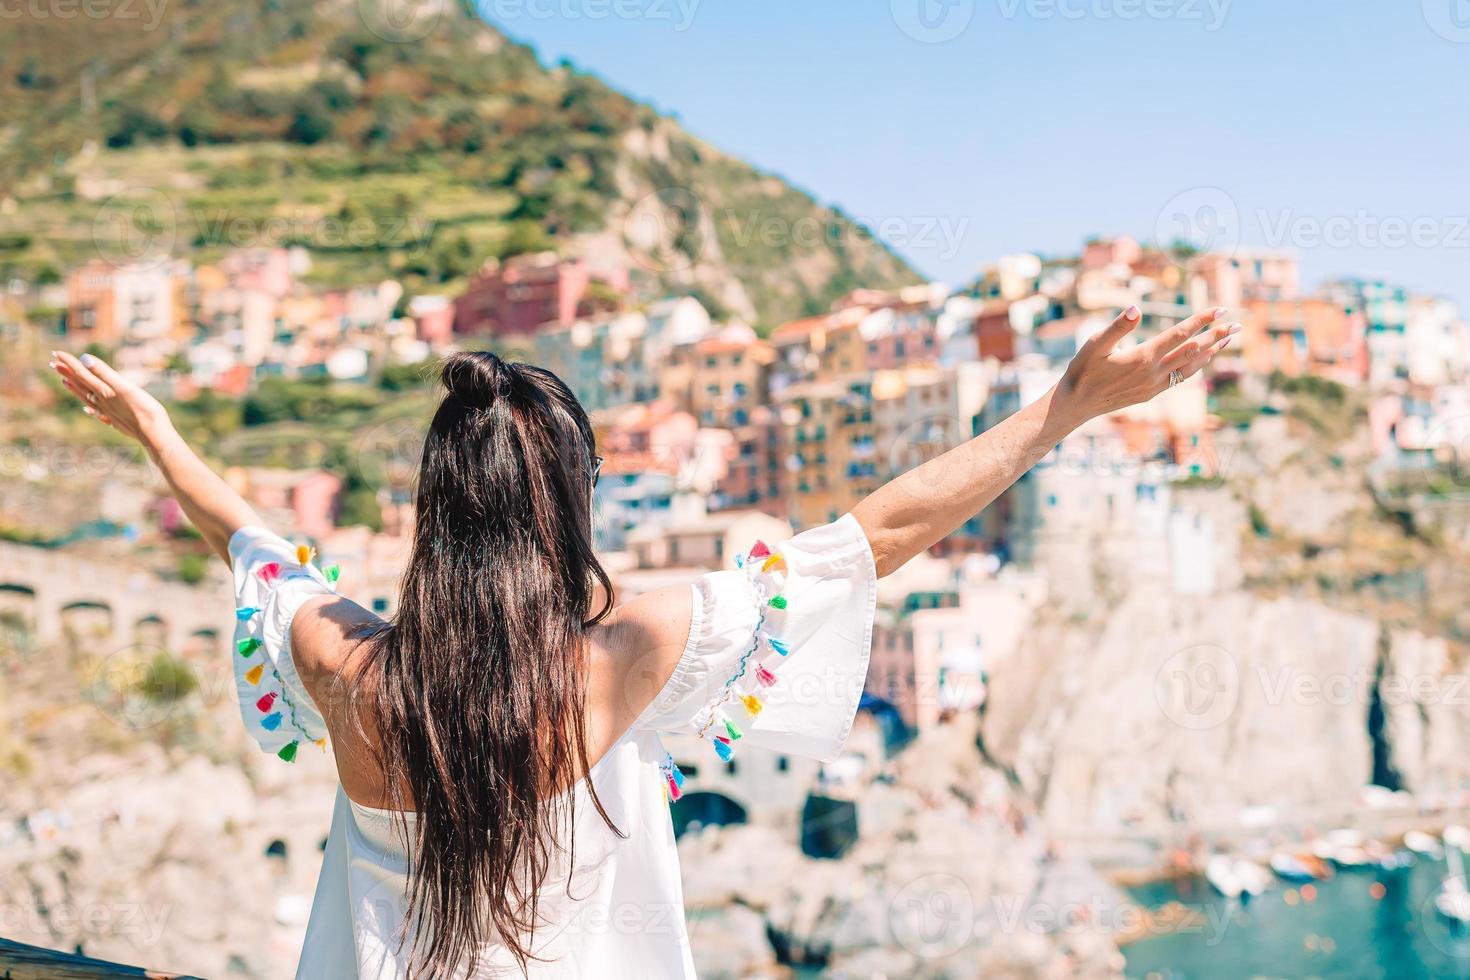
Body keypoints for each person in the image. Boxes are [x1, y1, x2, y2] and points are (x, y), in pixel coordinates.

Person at [49, 304, 1236, 978]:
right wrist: (1061, 410)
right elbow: (876, 533)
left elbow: (249, 542)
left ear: (431, 506)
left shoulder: (344, 664)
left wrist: (155, 428)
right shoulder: (627, 650)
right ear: (568, 501)